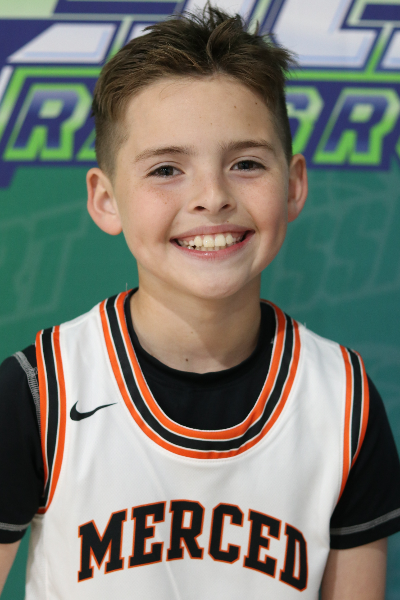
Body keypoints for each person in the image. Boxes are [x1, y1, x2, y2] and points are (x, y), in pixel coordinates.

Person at [0, 6, 399, 599]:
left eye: (246, 164)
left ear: (293, 185)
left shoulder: (343, 400)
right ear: (106, 199)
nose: (212, 197)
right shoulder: (39, 394)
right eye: (166, 169)